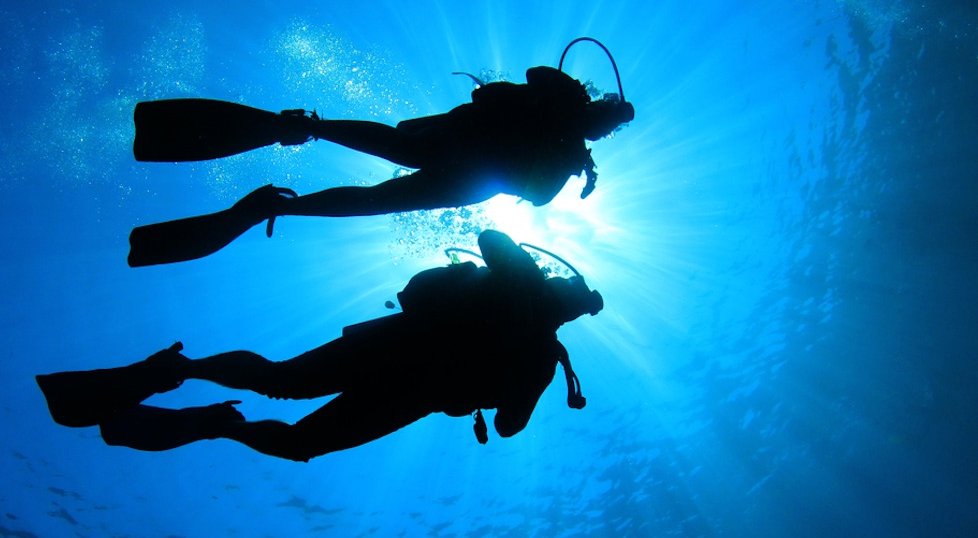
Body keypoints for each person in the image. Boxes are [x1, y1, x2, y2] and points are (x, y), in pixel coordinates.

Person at [36, 230, 603, 462]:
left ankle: (199, 394)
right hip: (405, 369)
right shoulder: (538, 344)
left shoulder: (541, 356)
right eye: (575, 295)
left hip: (403, 374)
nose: (570, 300)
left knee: (290, 411)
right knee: (285, 394)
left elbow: (507, 425)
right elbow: (507, 426)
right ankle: (191, 383)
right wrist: (527, 281)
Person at [126, 66, 635, 266]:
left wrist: (575, 168)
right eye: (607, 117)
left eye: (609, 127)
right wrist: (569, 102)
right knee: (392, 159)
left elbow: (536, 195)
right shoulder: (562, 101)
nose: (602, 127)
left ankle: (288, 195)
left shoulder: (571, 156)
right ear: (600, 107)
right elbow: (532, 77)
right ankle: (306, 128)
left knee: (379, 200)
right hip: (464, 147)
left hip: (469, 176)